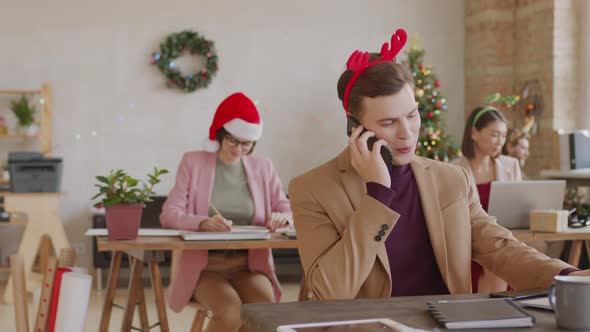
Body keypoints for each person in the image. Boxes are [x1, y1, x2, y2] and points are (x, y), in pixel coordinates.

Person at [288, 28, 586, 302]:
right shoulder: (313, 190)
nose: (407, 132)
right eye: (389, 122)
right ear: (355, 127)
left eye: (412, 115)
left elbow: (501, 248)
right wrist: (377, 195)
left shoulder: (452, 179)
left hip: (448, 322)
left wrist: (569, 277)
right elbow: (329, 291)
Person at [160, 92, 292, 332]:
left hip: (249, 265)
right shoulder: (193, 162)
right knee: (231, 313)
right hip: (206, 267)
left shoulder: (263, 167)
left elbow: (287, 210)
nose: (239, 149)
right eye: (233, 141)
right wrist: (202, 222)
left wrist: (281, 217)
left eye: (246, 143)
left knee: (264, 313)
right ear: (221, 134)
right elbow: (169, 213)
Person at [454, 107, 521, 293]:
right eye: (494, 135)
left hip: (502, 239)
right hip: (469, 243)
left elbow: (518, 207)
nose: (500, 142)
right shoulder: (453, 170)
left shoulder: (511, 165)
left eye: (503, 136)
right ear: (474, 132)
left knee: (499, 260)